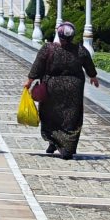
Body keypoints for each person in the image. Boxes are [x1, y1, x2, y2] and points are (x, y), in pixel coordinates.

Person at [24, 22, 99, 160]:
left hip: (52, 88)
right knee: (71, 118)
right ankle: (66, 148)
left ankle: (54, 142)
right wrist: (93, 78)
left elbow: (37, 66)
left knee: (50, 115)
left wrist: (29, 82)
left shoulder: (48, 48)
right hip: (74, 89)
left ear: (58, 34)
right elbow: (89, 65)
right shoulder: (80, 50)